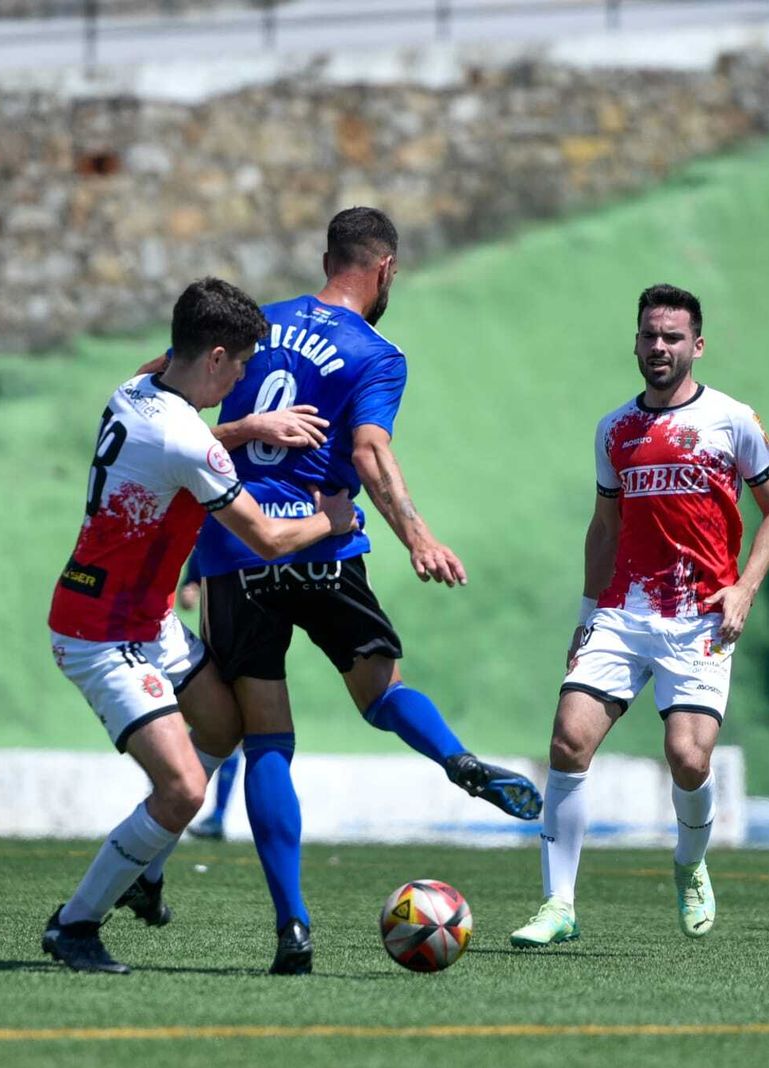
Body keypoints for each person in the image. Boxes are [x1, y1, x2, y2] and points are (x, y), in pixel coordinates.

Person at [183, 207, 542, 974]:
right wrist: (417, 535)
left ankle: (295, 927)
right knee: (381, 693)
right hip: (323, 539)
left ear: (327, 258)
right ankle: (454, 758)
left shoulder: (258, 324)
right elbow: (371, 452)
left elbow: (172, 390)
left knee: (267, 742)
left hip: (237, 547)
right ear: (385, 270)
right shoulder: (378, 353)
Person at [43, 277, 356, 974]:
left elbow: (177, 443)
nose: (245, 375)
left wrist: (246, 428)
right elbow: (268, 539)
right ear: (215, 357)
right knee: (184, 789)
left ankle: (147, 866)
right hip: (102, 633)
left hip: (146, 618)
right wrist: (333, 519)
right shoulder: (188, 439)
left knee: (221, 728)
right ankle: (76, 924)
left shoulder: (138, 386)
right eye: (241, 362)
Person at [510, 283, 769, 947]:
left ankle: (690, 864)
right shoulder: (615, 429)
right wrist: (586, 612)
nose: (659, 347)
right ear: (635, 342)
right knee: (567, 744)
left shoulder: (731, 419)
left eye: (672, 337)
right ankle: (558, 905)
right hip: (623, 612)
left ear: (696, 345)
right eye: (649, 336)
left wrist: (746, 587)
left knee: (688, 758)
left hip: (702, 615)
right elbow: (604, 527)